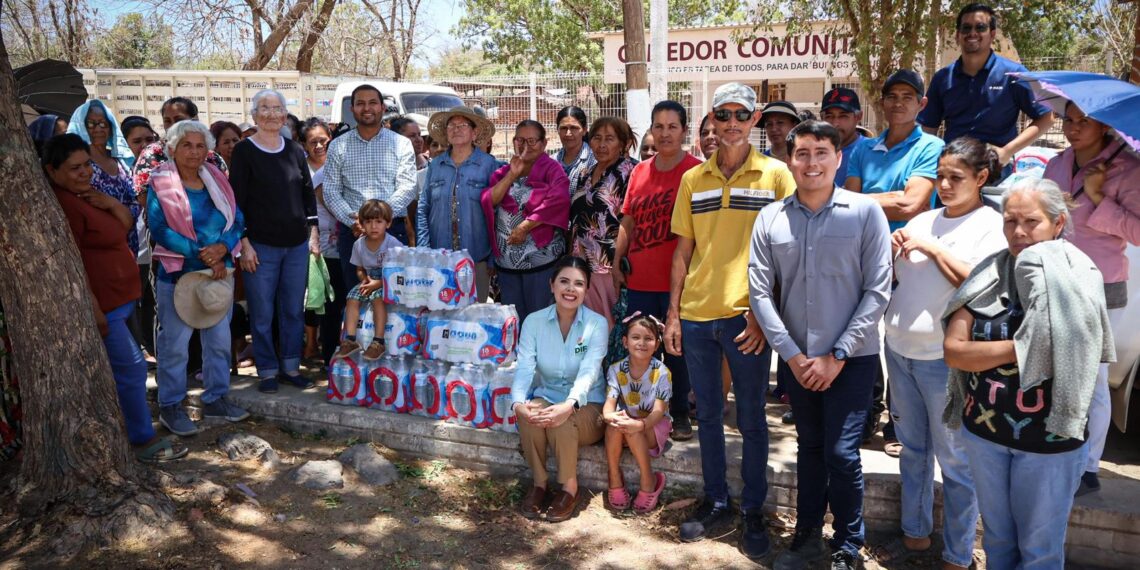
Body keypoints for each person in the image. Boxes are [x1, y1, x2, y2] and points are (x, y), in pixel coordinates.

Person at [942, 178, 1114, 570]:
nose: (1018, 231)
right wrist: (1027, 347)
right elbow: (954, 351)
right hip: (985, 434)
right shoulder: (989, 273)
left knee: (1039, 552)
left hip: (1049, 443)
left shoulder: (1080, 275)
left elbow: (1074, 346)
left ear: (1058, 223)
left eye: (1031, 221)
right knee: (998, 542)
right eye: (1010, 221)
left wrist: (986, 353)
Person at [749, 121, 892, 570]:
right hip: (798, 360)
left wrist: (838, 354)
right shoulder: (771, 218)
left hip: (852, 358)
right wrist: (792, 356)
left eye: (821, 152)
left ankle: (848, 544)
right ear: (790, 160)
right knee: (809, 447)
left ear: (838, 157)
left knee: (841, 453)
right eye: (803, 153)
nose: (812, 162)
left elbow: (878, 290)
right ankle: (807, 534)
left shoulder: (865, 213)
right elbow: (760, 294)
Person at [667, 83, 794, 559]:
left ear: (755, 118)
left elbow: (788, 254)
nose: (733, 123)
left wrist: (765, 315)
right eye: (724, 114)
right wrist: (674, 313)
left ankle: (753, 510)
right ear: (713, 119)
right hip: (698, 316)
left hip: (747, 319)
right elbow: (683, 252)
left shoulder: (777, 175)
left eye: (742, 114)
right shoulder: (693, 179)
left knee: (752, 419)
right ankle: (717, 500)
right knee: (707, 416)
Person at [875, 137, 1005, 570]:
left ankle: (957, 555)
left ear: (981, 178)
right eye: (941, 176)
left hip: (943, 361)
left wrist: (932, 248)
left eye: (956, 178)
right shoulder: (924, 218)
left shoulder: (990, 226)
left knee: (955, 461)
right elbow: (898, 277)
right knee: (913, 451)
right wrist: (896, 246)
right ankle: (914, 536)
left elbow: (982, 285)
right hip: (899, 351)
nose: (945, 185)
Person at [45, 133, 189, 462]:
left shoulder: (87, 195)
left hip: (122, 300)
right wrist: (93, 308)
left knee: (127, 372)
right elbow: (71, 264)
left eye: (87, 165)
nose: (84, 172)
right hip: (104, 307)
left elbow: (124, 224)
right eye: (74, 168)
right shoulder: (63, 205)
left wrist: (107, 202)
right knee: (133, 370)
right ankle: (142, 440)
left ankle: (130, 431)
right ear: (52, 171)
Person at [1043, 102, 1140, 496]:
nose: (1073, 128)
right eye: (1069, 119)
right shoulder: (1057, 164)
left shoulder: (1127, 169)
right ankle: (1054, 452)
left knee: (1093, 380)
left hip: (1100, 286)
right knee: (1051, 373)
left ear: (1104, 126)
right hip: (1053, 277)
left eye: (1084, 121)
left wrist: (1099, 197)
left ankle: (1088, 465)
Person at [846, 69, 946, 450]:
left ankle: (898, 423)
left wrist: (860, 200)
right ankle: (868, 412)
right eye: (892, 96)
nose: (899, 103)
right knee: (863, 337)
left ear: (922, 104)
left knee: (901, 341)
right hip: (865, 256)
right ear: (882, 102)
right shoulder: (862, 150)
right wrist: (885, 199)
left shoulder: (931, 147)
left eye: (908, 96)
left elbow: (912, 203)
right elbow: (851, 204)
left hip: (909, 260)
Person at [146, 121, 249, 436]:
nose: (194, 152)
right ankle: (170, 406)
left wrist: (223, 248)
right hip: (179, 274)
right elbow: (159, 228)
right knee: (175, 345)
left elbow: (237, 218)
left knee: (218, 341)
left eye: (200, 145)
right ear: (172, 149)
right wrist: (203, 254)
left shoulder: (216, 177)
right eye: (186, 145)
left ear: (208, 150)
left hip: (218, 271)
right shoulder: (160, 182)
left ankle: (216, 398)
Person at [612, 100, 702, 441]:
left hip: (680, 281)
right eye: (658, 126)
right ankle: (643, 410)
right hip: (641, 279)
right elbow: (628, 220)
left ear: (684, 130)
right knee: (642, 346)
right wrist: (617, 261)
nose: (665, 133)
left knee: (677, 350)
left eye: (672, 126)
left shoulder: (696, 172)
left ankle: (680, 413)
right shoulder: (640, 172)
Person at [229, 89, 319, 394]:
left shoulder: (294, 150)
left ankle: (291, 367)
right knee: (262, 312)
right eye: (264, 108)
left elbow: (307, 195)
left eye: (277, 108)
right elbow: (235, 202)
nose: (271, 114)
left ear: (285, 115)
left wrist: (313, 234)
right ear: (254, 115)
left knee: (293, 309)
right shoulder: (244, 151)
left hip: (296, 245)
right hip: (259, 246)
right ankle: (267, 370)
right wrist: (244, 244)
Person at [512, 256, 608, 523]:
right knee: (530, 414)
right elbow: (524, 367)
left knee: (562, 421)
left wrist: (569, 405)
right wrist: (517, 403)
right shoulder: (533, 322)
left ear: (586, 289)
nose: (570, 289)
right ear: (551, 285)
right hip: (548, 395)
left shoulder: (597, 324)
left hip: (589, 405)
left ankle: (569, 488)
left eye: (579, 284)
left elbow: (589, 371)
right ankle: (540, 485)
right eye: (564, 281)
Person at [918, 3, 1054, 173]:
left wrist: (1007, 151)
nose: (972, 33)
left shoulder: (1014, 74)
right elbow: (928, 128)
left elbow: (1047, 117)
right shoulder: (943, 78)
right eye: (966, 28)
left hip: (996, 171)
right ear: (958, 35)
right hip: (953, 170)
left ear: (992, 34)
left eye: (980, 27)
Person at [323, 84, 417, 288]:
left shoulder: (401, 144)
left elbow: (408, 186)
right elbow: (330, 191)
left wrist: (379, 218)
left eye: (373, 103)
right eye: (360, 103)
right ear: (352, 109)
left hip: (392, 231)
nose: (367, 108)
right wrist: (355, 221)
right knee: (357, 294)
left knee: (395, 294)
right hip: (353, 232)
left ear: (382, 108)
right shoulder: (338, 145)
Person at [481, 120, 570, 323]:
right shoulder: (503, 171)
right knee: (513, 320)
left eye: (531, 141)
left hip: (540, 260)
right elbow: (489, 200)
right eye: (520, 140)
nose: (525, 146)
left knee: (540, 319)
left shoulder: (553, 170)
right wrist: (511, 175)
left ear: (544, 143)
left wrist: (525, 227)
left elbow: (558, 200)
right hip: (507, 263)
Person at [416, 106, 499, 300]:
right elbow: (423, 207)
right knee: (441, 309)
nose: (456, 129)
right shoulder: (436, 165)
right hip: (440, 258)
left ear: (474, 133)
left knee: (474, 313)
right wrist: (424, 248)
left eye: (462, 125)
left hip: (477, 257)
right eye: (451, 125)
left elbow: (497, 212)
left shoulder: (489, 165)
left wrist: (494, 256)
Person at [569, 116, 637, 326]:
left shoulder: (630, 172)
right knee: (589, 326)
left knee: (613, 325)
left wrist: (618, 263)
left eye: (609, 138)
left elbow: (631, 220)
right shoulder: (585, 173)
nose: (601, 144)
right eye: (597, 138)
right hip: (584, 264)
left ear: (623, 143)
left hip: (611, 266)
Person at [604, 313, 671, 514]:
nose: (641, 343)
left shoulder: (662, 372)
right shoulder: (616, 370)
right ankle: (614, 477)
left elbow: (658, 411)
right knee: (615, 425)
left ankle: (648, 480)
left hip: (653, 426)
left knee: (631, 428)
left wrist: (639, 425)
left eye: (648, 338)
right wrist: (609, 417)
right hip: (629, 423)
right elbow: (609, 405)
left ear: (657, 344)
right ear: (625, 342)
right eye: (635, 337)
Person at [66, 100, 141, 255]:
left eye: (103, 124)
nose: (98, 129)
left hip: (129, 245)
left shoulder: (121, 162)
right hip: (100, 247)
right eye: (91, 124)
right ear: (81, 126)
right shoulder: (81, 166)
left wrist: (113, 204)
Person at [303, 118, 347, 366]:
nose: (320, 146)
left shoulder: (338, 167)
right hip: (329, 248)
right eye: (313, 142)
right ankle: (330, 358)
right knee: (332, 307)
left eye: (324, 141)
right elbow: (333, 206)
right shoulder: (322, 174)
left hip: (344, 245)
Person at [334, 200, 400, 360]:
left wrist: (379, 283)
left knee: (377, 299)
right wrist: (364, 280)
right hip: (369, 279)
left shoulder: (393, 244)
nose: (373, 226)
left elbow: (399, 271)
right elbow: (359, 269)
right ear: (362, 224)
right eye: (368, 222)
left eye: (379, 221)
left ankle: (378, 342)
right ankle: (350, 339)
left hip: (388, 279)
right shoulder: (358, 245)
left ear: (388, 223)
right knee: (351, 298)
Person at [132, 97, 228, 199]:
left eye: (179, 120)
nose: (172, 125)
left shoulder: (212, 157)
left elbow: (226, 193)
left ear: (194, 120)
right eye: (167, 121)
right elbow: (143, 196)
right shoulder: (151, 154)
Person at [120, 115, 160, 362]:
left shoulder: (162, 168)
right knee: (133, 303)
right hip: (129, 250)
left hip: (153, 248)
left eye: (149, 139)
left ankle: (151, 348)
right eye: (137, 141)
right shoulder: (121, 171)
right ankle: (138, 350)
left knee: (151, 303)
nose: (144, 146)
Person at [820, 87, 869, 186]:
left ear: (858, 117)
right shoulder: (815, 151)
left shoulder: (870, 152)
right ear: (822, 118)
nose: (835, 123)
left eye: (843, 116)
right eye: (829, 116)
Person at [555, 106, 596, 196]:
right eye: (563, 128)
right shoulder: (552, 161)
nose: (568, 133)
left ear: (584, 130)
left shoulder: (594, 161)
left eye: (574, 128)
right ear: (557, 130)